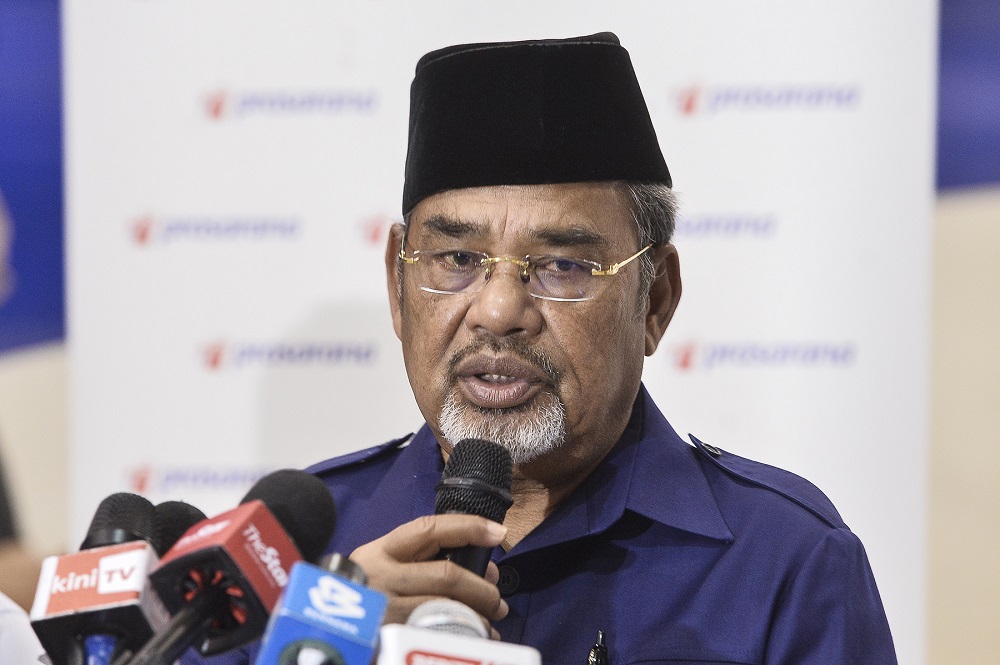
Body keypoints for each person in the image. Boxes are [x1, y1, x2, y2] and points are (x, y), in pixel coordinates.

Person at [191, 33, 896, 664]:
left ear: (655, 300)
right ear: (398, 287)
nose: (499, 312)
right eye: (457, 258)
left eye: (563, 265)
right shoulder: (285, 558)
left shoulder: (784, 563)